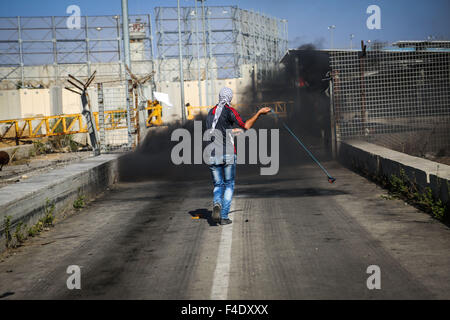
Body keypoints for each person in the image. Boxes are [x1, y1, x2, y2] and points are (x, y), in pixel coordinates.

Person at [205, 87, 271, 225]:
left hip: (211, 154)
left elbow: (215, 132)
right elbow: (245, 125)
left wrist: (232, 132)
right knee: (229, 184)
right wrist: (259, 113)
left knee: (218, 184)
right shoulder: (230, 111)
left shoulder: (210, 113)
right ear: (229, 98)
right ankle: (223, 216)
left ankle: (217, 203)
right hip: (228, 153)